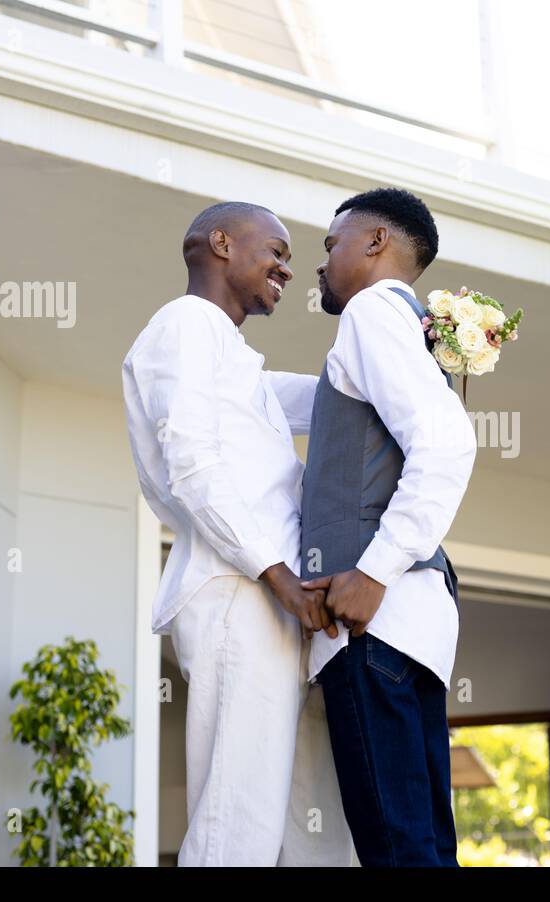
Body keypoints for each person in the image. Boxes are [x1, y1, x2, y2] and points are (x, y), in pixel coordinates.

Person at [121, 201, 350, 866]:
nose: (287, 265)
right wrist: (277, 575)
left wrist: (414, 354)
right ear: (219, 243)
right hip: (242, 588)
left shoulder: (231, 356)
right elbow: (192, 465)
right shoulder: (187, 325)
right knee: (235, 820)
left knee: (284, 817)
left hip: (265, 593)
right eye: (274, 249)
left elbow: (328, 399)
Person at [301, 188, 476, 866]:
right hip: (412, 631)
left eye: (330, 245)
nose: (320, 264)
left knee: (398, 852)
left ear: (376, 242)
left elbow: (447, 441)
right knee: (424, 848)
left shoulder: (372, 310)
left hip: (377, 625)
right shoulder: (399, 326)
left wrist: (373, 570)